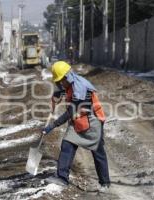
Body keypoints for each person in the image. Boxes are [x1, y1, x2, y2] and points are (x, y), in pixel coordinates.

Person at [42, 61, 111, 189]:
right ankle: (62, 178)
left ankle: (105, 183)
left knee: (98, 152)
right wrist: (57, 95)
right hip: (78, 121)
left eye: (61, 81)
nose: (60, 83)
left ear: (67, 77)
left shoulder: (80, 87)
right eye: (58, 82)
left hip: (92, 121)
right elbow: (64, 91)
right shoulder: (70, 83)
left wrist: (53, 125)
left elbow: (71, 111)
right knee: (67, 144)